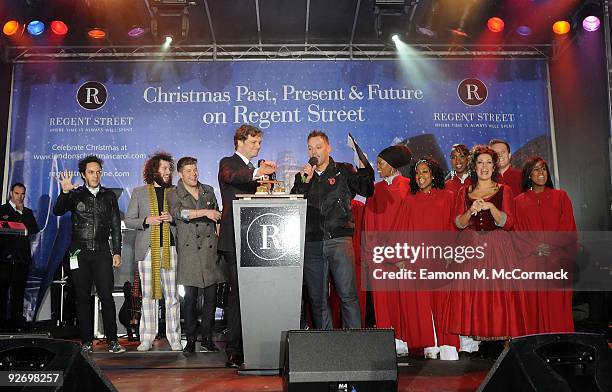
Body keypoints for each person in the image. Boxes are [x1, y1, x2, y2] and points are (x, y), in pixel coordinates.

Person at [291, 130, 374, 330]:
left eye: (318, 147)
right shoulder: (302, 176)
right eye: (310, 148)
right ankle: (326, 345)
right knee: (318, 299)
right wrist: (304, 181)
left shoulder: (343, 171)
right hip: (312, 243)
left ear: (329, 148)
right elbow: (294, 202)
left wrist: (363, 165)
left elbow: (366, 189)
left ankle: (354, 342)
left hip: (339, 241)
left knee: (348, 295)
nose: (314, 152)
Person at [447, 146, 527, 346]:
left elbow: (509, 223)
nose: (484, 167)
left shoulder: (504, 190)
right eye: (480, 162)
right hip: (473, 246)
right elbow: (458, 223)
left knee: (499, 293)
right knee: (475, 293)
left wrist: (491, 207)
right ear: (474, 165)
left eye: (489, 162)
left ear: (494, 166)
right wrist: (470, 211)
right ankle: (475, 342)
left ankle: (502, 340)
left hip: (498, 246)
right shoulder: (463, 192)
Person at [53, 156, 125, 353]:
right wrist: (65, 192)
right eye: (91, 172)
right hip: (79, 251)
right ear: (84, 175)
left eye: (98, 171)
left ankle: (112, 340)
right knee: (82, 297)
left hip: (102, 251)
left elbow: (115, 227)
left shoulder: (109, 196)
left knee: (106, 296)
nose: (95, 175)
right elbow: (58, 211)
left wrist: (116, 252)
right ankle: (86, 341)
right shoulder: (75, 195)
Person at [218, 124, 276, 368]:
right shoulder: (228, 163)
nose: (257, 147)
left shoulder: (255, 169)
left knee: (256, 295)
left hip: (257, 239)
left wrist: (269, 182)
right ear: (240, 141)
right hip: (234, 239)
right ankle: (234, 349)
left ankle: (255, 344)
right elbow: (233, 177)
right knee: (238, 296)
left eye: (259, 143)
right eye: (253, 142)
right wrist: (258, 174)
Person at [124, 152, 182, 351]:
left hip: (170, 249)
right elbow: (129, 220)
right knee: (148, 295)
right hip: (147, 251)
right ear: (153, 170)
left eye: (169, 169)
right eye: (164, 168)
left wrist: (172, 219)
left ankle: (174, 337)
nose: (168, 172)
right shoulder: (139, 192)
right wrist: (146, 220)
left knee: (172, 296)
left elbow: (182, 218)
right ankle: (147, 337)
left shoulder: (175, 192)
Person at [169, 156, 226, 354]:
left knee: (211, 299)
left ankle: (208, 338)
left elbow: (217, 216)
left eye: (195, 170)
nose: (194, 174)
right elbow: (179, 214)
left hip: (210, 251)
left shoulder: (208, 190)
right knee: (190, 300)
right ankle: (191, 340)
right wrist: (205, 212)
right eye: (189, 171)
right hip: (189, 251)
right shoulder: (174, 193)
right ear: (180, 174)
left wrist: (220, 241)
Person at [514, 157, 576, 334]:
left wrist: (551, 245)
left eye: (543, 169)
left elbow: (568, 226)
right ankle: (537, 345)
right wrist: (535, 247)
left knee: (558, 305)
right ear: (528, 175)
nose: (540, 173)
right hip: (531, 261)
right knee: (533, 306)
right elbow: (517, 232)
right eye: (535, 170)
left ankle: (561, 343)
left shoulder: (560, 196)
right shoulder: (519, 202)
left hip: (557, 259)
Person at [405, 157, 460, 356]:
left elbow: (454, 226)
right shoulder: (410, 200)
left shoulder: (448, 196)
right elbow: (405, 230)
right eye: (417, 173)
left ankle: (449, 344)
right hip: (419, 258)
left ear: (434, 174)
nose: (420, 177)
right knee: (423, 303)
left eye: (425, 172)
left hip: (442, 256)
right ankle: (430, 343)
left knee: (444, 302)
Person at [363, 145, 412, 344]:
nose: (378, 168)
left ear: (392, 165)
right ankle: (387, 342)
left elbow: (412, 223)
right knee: (382, 299)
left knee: (403, 299)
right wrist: (372, 252)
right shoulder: (375, 190)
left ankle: (405, 338)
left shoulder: (409, 187)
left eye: (381, 164)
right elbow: (369, 222)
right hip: (381, 253)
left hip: (403, 254)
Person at [0, 183, 40, 331]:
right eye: (17, 193)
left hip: (21, 259)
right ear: (11, 193)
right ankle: (2, 322)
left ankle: (17, 321)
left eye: (22, 194)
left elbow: (33, 229)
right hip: (4, 259)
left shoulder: (27, 212)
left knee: (18, 292)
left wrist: (21, 213)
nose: (20, 197)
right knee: (2, 291)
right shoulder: (2, 210)